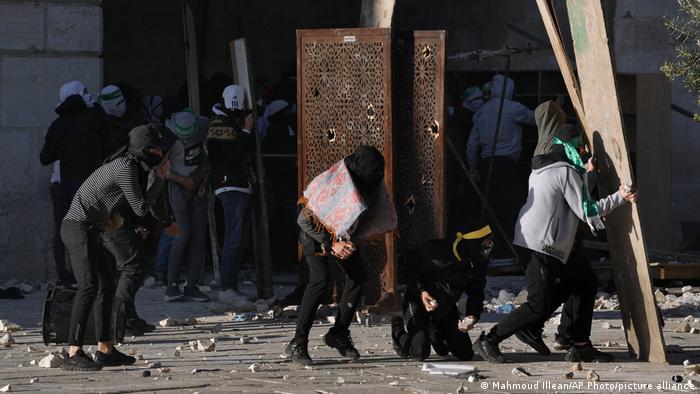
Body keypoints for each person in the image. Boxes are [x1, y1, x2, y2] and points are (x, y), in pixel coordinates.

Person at [472, 101, 639, 364]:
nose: (582, 151)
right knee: (539, 303)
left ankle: (578, 343)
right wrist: (620, 196)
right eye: (579, 146)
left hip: (546, 241)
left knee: (584, 282)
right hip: (540, 244)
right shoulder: (564, 171)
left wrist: (586, 172)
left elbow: (570, 193)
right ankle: (488, 340)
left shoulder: (545, 166)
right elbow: (588, 211)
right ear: (570, 146)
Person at [60, 125, 175, 371]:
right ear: (147, 150)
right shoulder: (126, 168)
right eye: (159, 148)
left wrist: (132, 227)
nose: (164, 153)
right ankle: (73, 352)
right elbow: (141, 208)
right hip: (78, 228)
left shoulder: (128, 164)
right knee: (88, 286)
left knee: (108, 284)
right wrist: (160, 176)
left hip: (91, 229)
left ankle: (105, 349)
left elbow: (120, 206)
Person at [284, 145, 398, 366]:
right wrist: (331, 244)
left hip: (341, 234)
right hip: (313, 232)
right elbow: (304, 220)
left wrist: (349, 241)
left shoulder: (367, 181)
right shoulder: (331, 183)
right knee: (320, 281)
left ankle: (338, 333)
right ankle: (298, 342)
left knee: (358, 275)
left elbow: (355, 215)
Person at [391, 222, 493, 361]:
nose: (487, 248)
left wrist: (472, 316)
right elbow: (405, 265)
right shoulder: (437, 250)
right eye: (484, 244)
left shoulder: (477, 263)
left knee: (465, 353)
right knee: (419, 353)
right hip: (418, 301)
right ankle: (397, 329)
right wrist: (422, 291)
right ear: (471, 243)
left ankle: (433, 330)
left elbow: (476, 291)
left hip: (445, 307)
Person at [40, 81, 104, 285]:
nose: (89, 95)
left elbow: (45, 157)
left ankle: (68, 277)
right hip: (82, 185)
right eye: (84, 92)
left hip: (64, 185)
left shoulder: (60, 124)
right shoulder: (93, 119)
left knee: (66, 231)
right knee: (84, 231)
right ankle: (81, 275)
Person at [467, 74, 535, 256]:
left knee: (491, 210)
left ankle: (491, 252)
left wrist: (473, 168)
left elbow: (472, 145)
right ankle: (518, 251)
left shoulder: (482, 111)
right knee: (512, 209)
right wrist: (555, 107)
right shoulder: (513, 108)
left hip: (485, 165)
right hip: (506, 165)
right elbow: (536, 119)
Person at [207, 85, 255, 302]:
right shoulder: (220, 125)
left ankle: (230, 285)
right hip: (230, 185)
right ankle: (227, 287)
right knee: (234, 238)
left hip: (239, 185)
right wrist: (246, 131)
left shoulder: (228, 122)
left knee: (240, 237)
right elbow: (231, 157)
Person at [164, 110, 210, 302]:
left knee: (199, 236)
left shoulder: (204, 125)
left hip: (198, 184)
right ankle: (171, 285)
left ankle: (192, 285)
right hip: (177, 184)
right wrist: (183, 181)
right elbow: (160, 170)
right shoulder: (166, 135)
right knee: (183, 234)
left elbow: (209, 154)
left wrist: (203, 180)